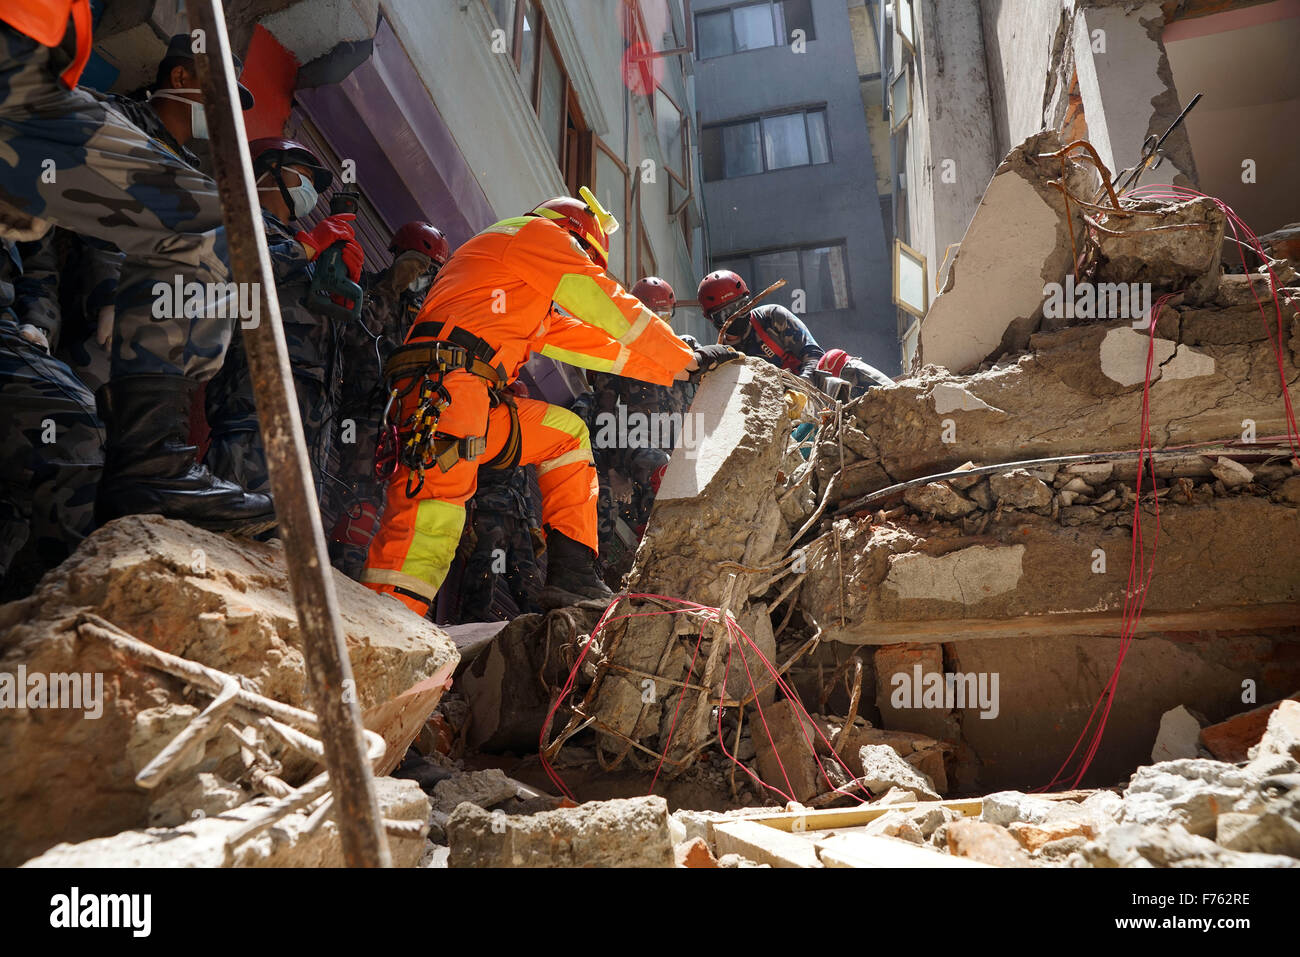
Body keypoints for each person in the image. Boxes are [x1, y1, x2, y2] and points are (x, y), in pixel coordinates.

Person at [362, 188, 733, 616]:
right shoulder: (535, 235)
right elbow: (607, 305)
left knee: (567, 435)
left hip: (464, 394)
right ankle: (390, 620)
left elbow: (596, 345)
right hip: (447, 387)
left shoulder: (517, 285)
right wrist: (681, 354)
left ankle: (572, 576)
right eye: (584, 260)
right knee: (432, 513)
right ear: (575, 238)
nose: (579, 268)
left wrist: (678, 367)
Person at [0, 6, 272, 532]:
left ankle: (148, 466)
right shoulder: (119, 115)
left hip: (33, 76)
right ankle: (150, 465)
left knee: (69, 435)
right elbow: (91, 237)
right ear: (179, 78)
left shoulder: (184, 162)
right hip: (21, 65)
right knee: (210, 222)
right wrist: (102, 293)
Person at [204, 138, 364, 533]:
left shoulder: (299, 242)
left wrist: (342, 284)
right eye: (303, 177)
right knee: (229, 522)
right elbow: (238, 274)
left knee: (283, 543)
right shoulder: (234, 217)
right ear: (266, 171)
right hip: (256, 401)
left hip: (311, 415)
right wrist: (306, 249)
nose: (310, 191)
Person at [330, 222, 451, 577]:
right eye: (419, 265)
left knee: (394, 498)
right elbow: (353, 334)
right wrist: (389, 289)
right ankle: (345, 563)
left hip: (403, 420)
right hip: (361, 408)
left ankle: (371, 568)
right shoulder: (367, 288)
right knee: (359, 483)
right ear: (400, 256)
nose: (423, 276)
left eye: (431, 272)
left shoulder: (421, 314)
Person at [0, 238, 102, 595]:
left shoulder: (20, 186)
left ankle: (40, 608)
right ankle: (73, 600)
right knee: (72, 423)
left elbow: (38, 272)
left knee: (44, 441)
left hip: (11, 331)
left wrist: (38, 326)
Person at [697, 269, 824, 379]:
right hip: (769, 404)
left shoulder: (772, 317)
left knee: (835, 359)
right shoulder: (723, 358)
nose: (736, 316)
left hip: (808, 389)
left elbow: (814, 353)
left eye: (741, 306)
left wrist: (803, 387)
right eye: (725, 314)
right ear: (710, 318)